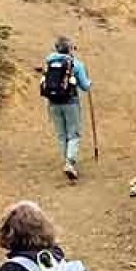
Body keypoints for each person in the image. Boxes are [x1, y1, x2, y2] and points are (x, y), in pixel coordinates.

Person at [40, 36, 92, 181]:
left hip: (52, 103)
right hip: (71, 103)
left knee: (61, 134)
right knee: (74, 133)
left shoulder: (48, 61)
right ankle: (70, 163)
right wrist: (89, 82)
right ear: (69, 49)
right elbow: (85, 86)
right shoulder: (77, 64)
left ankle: (66, 161)